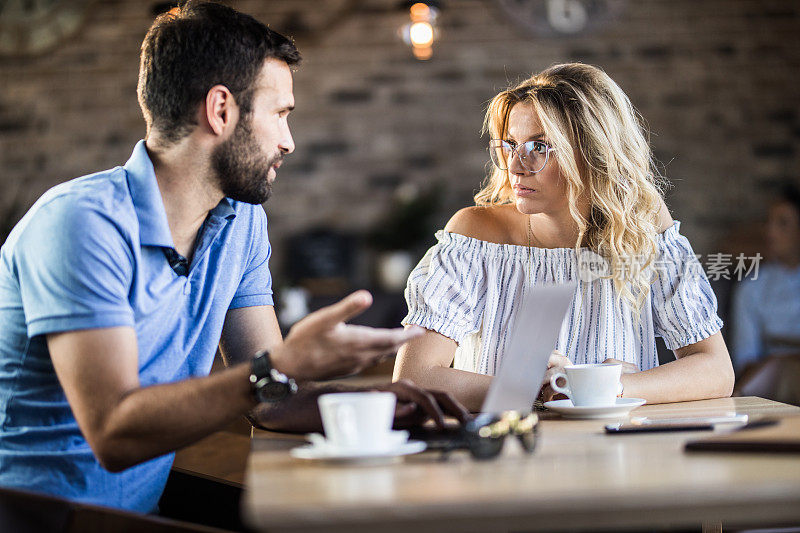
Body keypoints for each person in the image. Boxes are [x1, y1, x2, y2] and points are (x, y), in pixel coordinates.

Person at [0, 2, 466, 514]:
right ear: (221, 110)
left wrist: (383, 404)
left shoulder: (239, 221)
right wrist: (283, 364)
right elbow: (114, 434)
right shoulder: (81, 225)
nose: (288, 141)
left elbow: (271, 397)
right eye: (280, 114)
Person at [393, 63, 735, 412]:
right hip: (505, 452)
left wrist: (606, 386)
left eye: (539, 147)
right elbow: (414, 378)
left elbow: (716, 370)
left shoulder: (643, 227)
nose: (515, 165)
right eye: (511, 144)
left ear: (594, 153)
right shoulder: (475, 236)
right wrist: (533, 388)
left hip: (620, 453)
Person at [730, 185, 800, 400]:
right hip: (771, 388)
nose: (770, 232)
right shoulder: (752, 287)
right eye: (768, 222)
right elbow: (745, 358)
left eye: (783, 223)